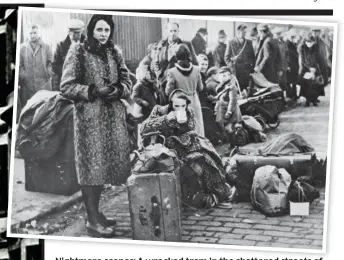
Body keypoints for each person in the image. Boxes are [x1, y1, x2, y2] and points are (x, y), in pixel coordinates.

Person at [60, 14, 132, 237]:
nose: (103, 34)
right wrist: (92, 91)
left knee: (103, 169)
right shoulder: (78, 51)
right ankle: (92, 220)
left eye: (107, 30)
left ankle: (96, 213)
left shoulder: (114, 51)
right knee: (91, 169)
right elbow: (66, 86)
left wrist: (118, 90)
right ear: (91, 30)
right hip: (89, 121)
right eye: (99, 30)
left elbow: (127, 80)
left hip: (111, 118)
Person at [140, 89, 232, 209]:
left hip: (186, 144)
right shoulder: (159, 110)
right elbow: (143, 129)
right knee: (195, 162)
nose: (180, 108)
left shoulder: (189, 111)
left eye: (183, 105)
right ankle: (204, 197)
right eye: (176, 105)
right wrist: (166, 119)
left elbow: (191, 129)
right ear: (170, 103)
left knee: (209, 158)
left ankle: (217, 193)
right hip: (166, 148)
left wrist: (183, 124)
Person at [153, 22, 198, 105]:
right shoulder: (161, 44)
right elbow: (155, 62)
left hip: (181, 84)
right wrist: (159, 75)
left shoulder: (186, 44)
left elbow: (195, 62)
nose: (173, 33)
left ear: (178, 31)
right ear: (167, 31)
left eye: (175, 31)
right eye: (170, 31)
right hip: (164, 84)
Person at [165, 44, 204, 136]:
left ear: (176, 56)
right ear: (189, 55)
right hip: (194, 100)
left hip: (181, 103)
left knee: (184, 128)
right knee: (197, 126)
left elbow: (168, 92)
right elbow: (201, 88)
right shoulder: (196, 69)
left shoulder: (172, 72)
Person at [19, 24, 53, 109]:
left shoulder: (46, 47)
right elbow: (19, 65)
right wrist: (24, 76)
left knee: (44, 109)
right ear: (27, 34)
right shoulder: (22, 48)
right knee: (29, 109)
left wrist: (48, 73)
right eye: (30, 33)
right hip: (28, 86)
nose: (33, 35)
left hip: (43, 84)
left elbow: (51, 62)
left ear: (39, 34)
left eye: (35, 33)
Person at [51, 19, 86, 91]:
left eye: (80, 32)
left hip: (84, 86)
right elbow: (55, 68)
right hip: (67, 84)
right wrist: (56, 89)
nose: (79, 35)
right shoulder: (61, 46)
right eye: (76, 33)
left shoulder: (87, 44)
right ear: (69, 32)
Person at [297, 32, 328, 107]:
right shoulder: (302, 48)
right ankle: (307, 101)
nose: (310, 44)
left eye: (312, 42)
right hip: (306, 68)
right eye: (309, 42)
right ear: (306, 41)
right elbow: (303, 61)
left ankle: (314, 100)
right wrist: (309, 68)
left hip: (315, 68)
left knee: (315, 85)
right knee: (306, 85)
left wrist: (317, 68)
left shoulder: (315, 47)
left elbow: (318, 58)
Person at [225, 24, 255, 91]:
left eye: (245, 32)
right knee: (238, 91)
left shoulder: (249, 42)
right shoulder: (231, 42)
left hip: (247, 72)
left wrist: (251, 68)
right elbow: (226, 58)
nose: (245, 34)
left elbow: (253, 57)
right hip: (236, 72)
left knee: (247, 91)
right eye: (243, 32)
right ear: (238, 32)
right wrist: (232, 65)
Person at [214, 66, 242, 138]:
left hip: (231, 111)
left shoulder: (231, 87)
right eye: (221, 75)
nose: (222, 77)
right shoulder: (221, 86)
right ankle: (232, 145)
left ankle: (235, 145)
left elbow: (233, 101)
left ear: (229, 76)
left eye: (225, 75)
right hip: (223, 110)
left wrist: (229, 112)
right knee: (226, 130)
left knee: (229, 129)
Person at [272, 27, 289, 98]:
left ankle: (282, 99)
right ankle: (279, 100)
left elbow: (286, 55)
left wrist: (286, 65)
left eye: (279, 34)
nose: (278, 35)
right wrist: (279, 68)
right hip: (277, 68)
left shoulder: (282, 42)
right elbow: (274, 58)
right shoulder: (273, 43)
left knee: (283, 84)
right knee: (277, 84)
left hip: (283, 67)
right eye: (277, 34)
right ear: (274, 34)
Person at [286, 28, 300, 100]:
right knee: (289, 81)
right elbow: (287, 55)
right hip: (290, 65)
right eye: (292, 37)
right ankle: (289, 94)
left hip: (294, 65)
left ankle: (294, 94)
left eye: (294, 37)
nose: (293, 38)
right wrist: (288, 65)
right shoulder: (287, 44)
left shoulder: (293, 44)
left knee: (294, 81)